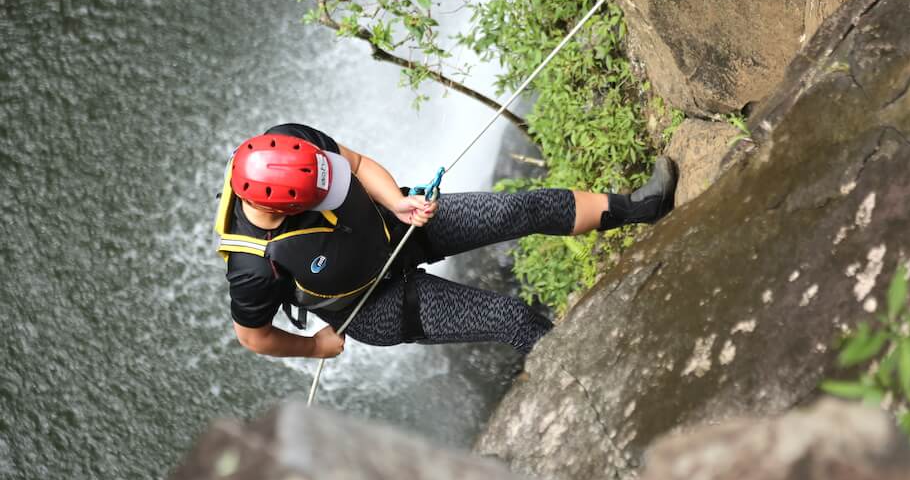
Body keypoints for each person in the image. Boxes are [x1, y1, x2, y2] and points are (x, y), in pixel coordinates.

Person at [215, 123, 677, 359]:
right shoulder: (254, 269)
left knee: (521, 209)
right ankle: (590, 375)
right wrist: (313, 347)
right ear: (284, 210)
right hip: (373, 305)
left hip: (396, 226)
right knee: (510, 317)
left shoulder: (289, 144)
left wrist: (397, 201)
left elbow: (354, 164)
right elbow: (252, 337)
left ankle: (641, 208)